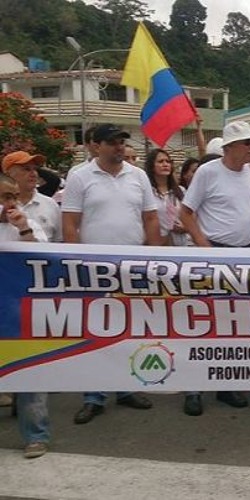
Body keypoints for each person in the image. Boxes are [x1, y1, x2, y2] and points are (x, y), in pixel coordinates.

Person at [62, 123, 161, 425]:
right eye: (112, 142)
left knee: (130, 329)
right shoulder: (79, 177)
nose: (119, 147)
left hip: (132, 265)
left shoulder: (139, 175)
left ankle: (127, 389)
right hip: (94, 267)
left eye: (121, 141)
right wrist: (75, 261)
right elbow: (70, 223)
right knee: (96, 331)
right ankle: (93, 396)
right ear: (95, 146)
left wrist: (154, 257)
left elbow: (151, 218)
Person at [179, 120, 250, 416]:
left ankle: (225, 385)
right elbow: (186, 213)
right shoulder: (207, 172)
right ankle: (193, 389)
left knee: (232, 325)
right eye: (247, 143)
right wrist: (205, 248)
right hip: (213, 255)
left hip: (243, 256)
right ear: (229, 147)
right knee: (202, 323)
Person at [0, 172, 50, 458]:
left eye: (13, 197)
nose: (10, 203)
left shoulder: (26, 224)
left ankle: (36, 435)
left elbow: (40, 260)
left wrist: (24, 231)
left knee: (31, 370)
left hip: (20, 308)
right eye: (4, 197)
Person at [2, 151, 62, 243]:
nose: (34, 174)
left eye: (35, 169)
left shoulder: (50, 204)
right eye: (26, 169)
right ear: (8, 174)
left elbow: (60, 243)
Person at [145, 148, 189, 246]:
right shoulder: (146, 191)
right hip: (155, 245)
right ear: (151, 166)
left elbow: (190, 216)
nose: (165, 164)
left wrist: (185, 227)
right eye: (160, 162)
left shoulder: (181, 191)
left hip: (180, 245)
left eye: (168, 161)